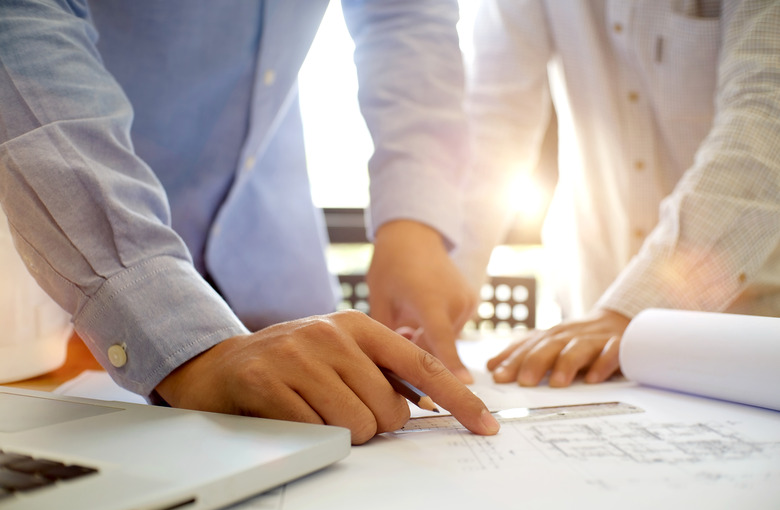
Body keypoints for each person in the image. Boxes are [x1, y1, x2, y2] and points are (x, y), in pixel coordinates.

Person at [0, 0, 500, 443]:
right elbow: (19, 21)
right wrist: (180, 339)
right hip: (71, 279)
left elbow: (406, 16)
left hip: (278, 267)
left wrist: (413, 222)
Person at [452, 0, 780, 387]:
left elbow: (765, 116)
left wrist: (634, 308)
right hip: (588, 310)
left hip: (748, 330)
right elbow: (494, 115)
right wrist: (447, 276)